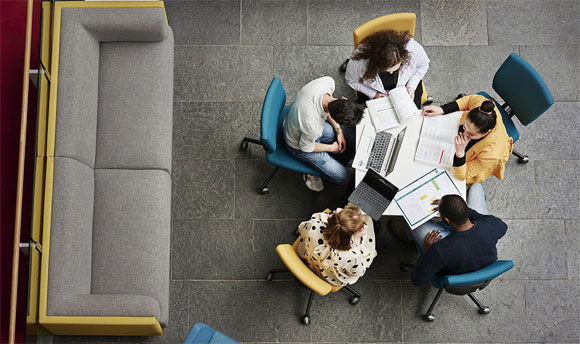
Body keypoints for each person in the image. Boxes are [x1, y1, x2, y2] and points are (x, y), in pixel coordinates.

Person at [389, 184, 507, 286]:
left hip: (457, 271)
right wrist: (464, 210)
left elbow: (417, 280)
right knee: (476, 187)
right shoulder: (492, 225)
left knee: (409, 216)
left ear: (447, 220)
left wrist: (426, 252)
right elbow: (503, 227)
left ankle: (410, 240)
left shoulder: (439, 249)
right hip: (484, 264)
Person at [283, 76, 365, 192]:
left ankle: (330, 157)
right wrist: (332, 148)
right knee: (344, 178)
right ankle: (310, 173)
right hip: (296, 142)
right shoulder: (313, 126)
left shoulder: (328, 82)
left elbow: (330, 107)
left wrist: (339, 130)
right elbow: (305, 147)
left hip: (301, 120)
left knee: (342, 136)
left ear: (344, 99)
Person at [422, 95, 513, 185]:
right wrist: (443, 109)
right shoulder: (481, 106)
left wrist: (460, 154)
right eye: (465, 127)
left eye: (471, 134)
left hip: (488, 155)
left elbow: (463, 175)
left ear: (486, 133)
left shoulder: (491, 154)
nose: (464, 134)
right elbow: (468, 100)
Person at [343, 30, 430, 108]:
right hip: (374, 91)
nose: (391, 72)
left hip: (407, 87)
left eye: (396, 68)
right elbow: (351, 80)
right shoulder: (359, 63)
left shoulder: (413, 49)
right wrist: (374, 94)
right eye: (387, 71)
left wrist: (411, 86)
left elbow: (423, 65)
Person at [297, 204, 377, 286]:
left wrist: (332, 216)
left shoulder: (314, 226)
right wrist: (357, 241)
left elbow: (301, 228)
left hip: (311, 261)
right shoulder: (353, 257)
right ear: (351, 237)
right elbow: (358, 273)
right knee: (368, 221)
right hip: (329, 278)